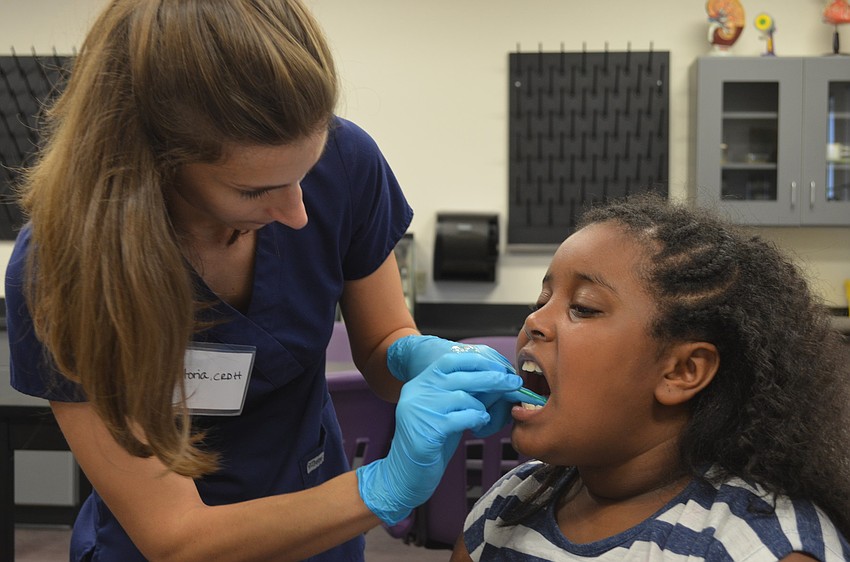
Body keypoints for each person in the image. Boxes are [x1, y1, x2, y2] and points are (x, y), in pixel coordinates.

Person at [4, 1, 524, 560]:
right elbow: (176, 537)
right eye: (254, 191)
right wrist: (385, 486)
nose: (299, 212)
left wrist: (417, 360)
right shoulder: (63, 268)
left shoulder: (346, 164)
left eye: (306, 172)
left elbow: (380, 342)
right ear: (153, 164)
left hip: (320, 515)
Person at [452, 195, 850, 561]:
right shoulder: (508, 503)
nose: (534, 321)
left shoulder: (756, 545)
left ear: (681, 371)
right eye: (542, 301)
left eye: (583, 308)